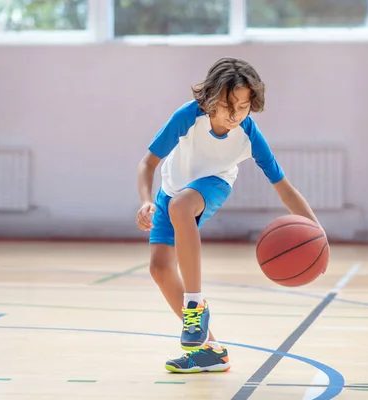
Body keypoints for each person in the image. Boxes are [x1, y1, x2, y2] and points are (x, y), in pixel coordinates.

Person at [135, 57, 325, 373]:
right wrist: (145, 201)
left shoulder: (249, 134)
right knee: (159, 268)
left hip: (214, 183)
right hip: (171, 188)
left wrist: (319, 234)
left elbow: (284, 188)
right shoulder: (187, 117)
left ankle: (194, 305)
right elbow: (147, 164)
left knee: (181, 206)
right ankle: (211, 350)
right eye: (227, 105)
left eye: (244, 106)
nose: (235, 114)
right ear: (210, 98)